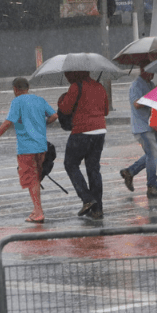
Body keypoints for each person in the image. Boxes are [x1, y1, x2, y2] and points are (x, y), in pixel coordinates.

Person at [0, 77, 58, 223]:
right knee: (35, 178)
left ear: (15, 89)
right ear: (28, 87)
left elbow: (7, 123)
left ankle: (38, 212)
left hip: (26, 148)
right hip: (41, 146)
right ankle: (36, 209)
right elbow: (54, 115)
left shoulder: (17, 102)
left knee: (31, 180)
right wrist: (42, 123)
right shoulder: (39, 100)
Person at [57, 71, 111, 220]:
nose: (67, 77)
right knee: (93, 169)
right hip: (100, 131)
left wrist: (61, 101)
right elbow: (105, 111)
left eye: (68, 74)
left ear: (76, 74)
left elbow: (65, 109)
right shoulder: (99, 86)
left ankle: (87, 198)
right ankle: (97, 209)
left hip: (82, 131)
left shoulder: (76, 86)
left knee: (70, 164)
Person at [119, 67, 157, 198]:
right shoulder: (136, 85)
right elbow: (136, 103)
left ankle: (130, 171)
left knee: (154, 155)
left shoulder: (150, 84)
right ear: (143, 70)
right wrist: (152, 96)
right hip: (142, 127)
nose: (152, 74)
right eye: (150, 70)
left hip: (153, 124)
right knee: (153, 155)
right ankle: (152, 186)